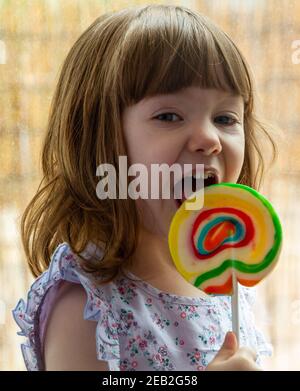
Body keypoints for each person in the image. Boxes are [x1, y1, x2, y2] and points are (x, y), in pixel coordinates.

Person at [12, 4, 275, 371]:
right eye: (169, 116)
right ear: (102, 139)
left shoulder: (223, 279)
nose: (209, 138)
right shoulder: (86, 307)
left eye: (225, 118)